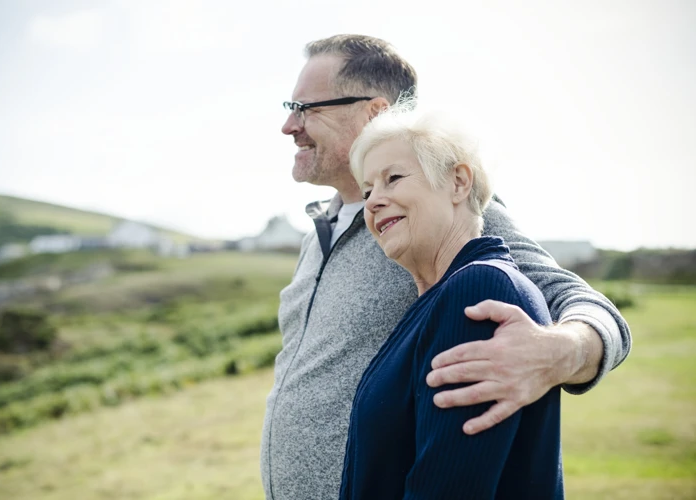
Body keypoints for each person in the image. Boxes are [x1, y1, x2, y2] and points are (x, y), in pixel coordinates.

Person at [261, 34, 631, 500]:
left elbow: (580, 302)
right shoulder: (319, 231)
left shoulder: (442, 208)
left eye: (305, 107)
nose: (288, 125)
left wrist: (562, 352)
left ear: (375, 112)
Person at [339, 101, 562, 499]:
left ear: (459, 182)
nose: (372, 202)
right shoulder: (436, 302)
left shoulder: (478, 289)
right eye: (368, 189)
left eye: (393, 178)